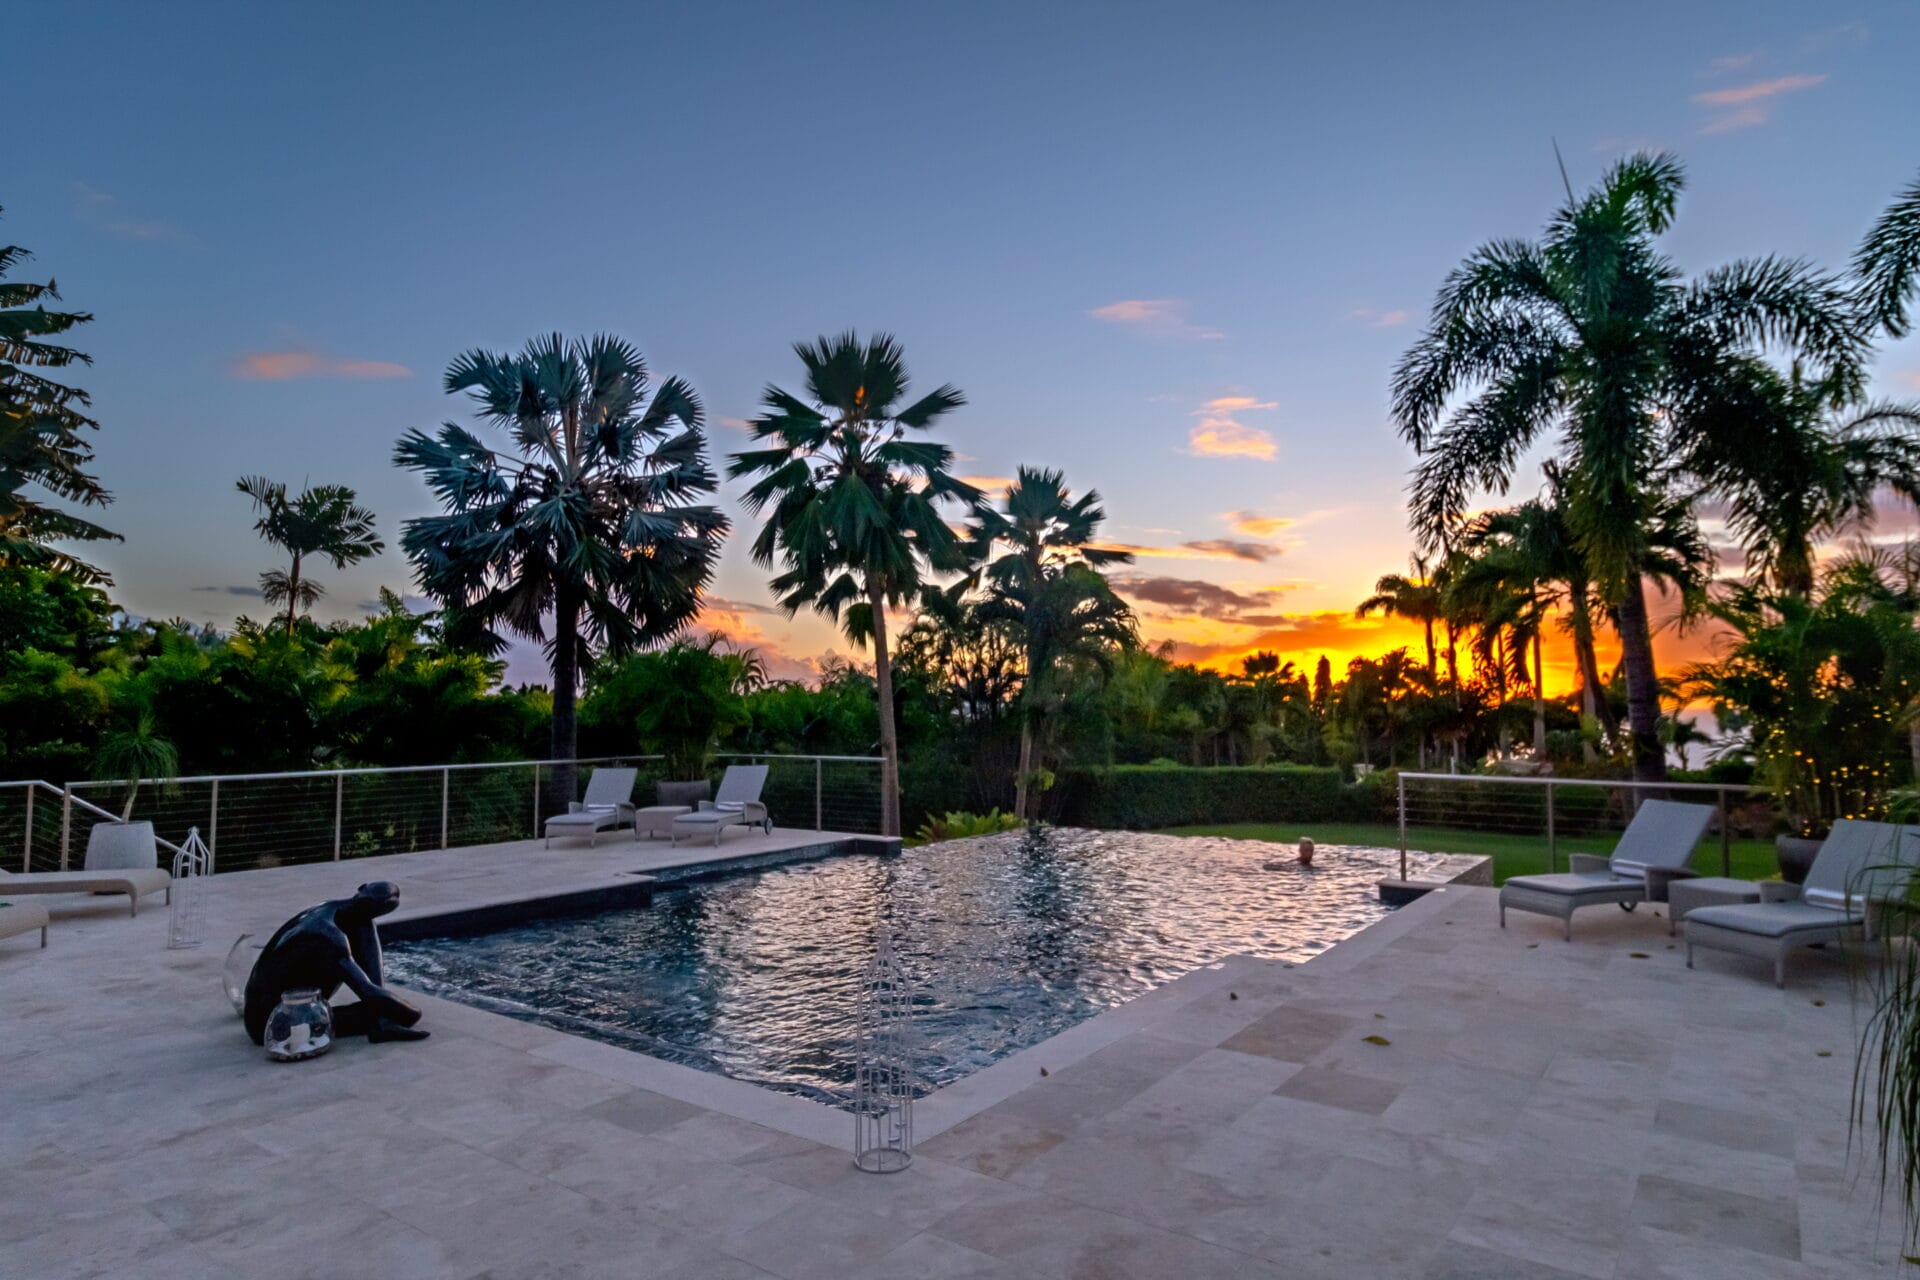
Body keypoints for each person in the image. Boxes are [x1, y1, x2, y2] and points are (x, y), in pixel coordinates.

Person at [242, 881, 428, 1046]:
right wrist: (412, 1013)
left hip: (297, 1006)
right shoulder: (328, 934)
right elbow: (367, 991)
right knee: (399, 1013)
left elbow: (371, 989)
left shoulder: (341, 913)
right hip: (269, 1025)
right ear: (361, 888)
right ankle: (380, 1020)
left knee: (364, 927)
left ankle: (381, 1023)